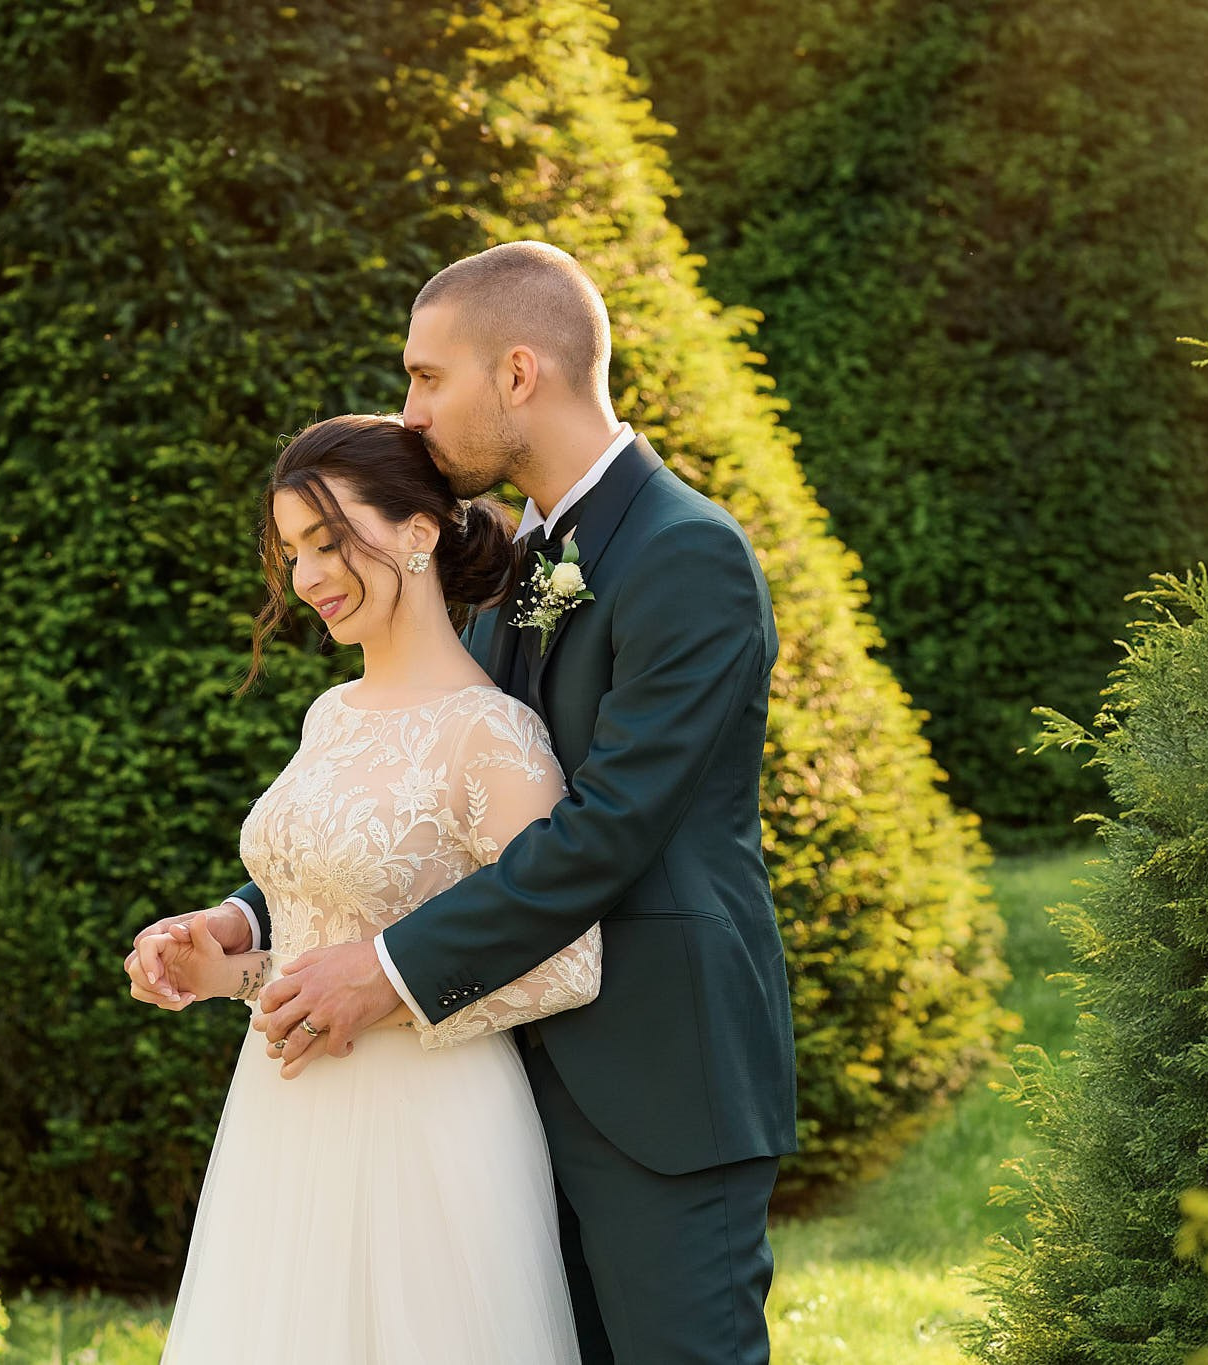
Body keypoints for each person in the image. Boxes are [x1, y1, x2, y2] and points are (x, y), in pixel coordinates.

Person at [133, 240, 797, 1364]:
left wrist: (385, 971)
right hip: (492, 1084)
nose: (410, 414)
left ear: (519, 373)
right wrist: (248, 918)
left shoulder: (687, 555)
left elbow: (606, 829)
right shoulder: (514, 571)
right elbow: (423, 800)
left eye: (425, 377)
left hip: (652, 1078)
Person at [127, 412, 603, 1364]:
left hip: (430, 1134)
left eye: (329, 540)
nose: (305, 577)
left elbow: (567, 964)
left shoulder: (494, 734)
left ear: (418, 533)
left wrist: (386, 995)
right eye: (292, 550)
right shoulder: (329, 714)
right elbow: (318, 949)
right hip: (285, 1120)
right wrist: (224, 965)